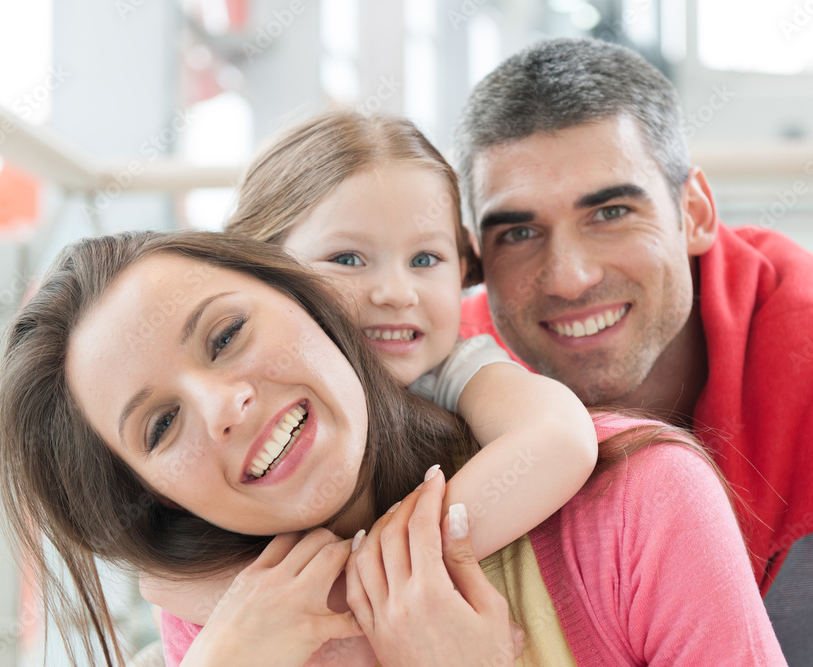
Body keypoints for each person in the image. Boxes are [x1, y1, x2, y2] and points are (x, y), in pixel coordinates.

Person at [0, 230, 786, 666]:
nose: (223, 405)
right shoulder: (227, 631)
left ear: (312, 304)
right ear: (154, 495)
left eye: (227, 335)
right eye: (161, 425)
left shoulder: (640, 502)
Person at [452, 37, 813, 666]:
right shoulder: (446, 383)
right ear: (474, 260)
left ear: (694, 213)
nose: (570, 278)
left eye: (610, 212)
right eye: (519, 232)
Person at [139, 110, 600, 631]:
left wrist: (360, 580)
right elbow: (163, 582)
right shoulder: (246, 410)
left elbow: (561, 439)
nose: (397, 293)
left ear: (463, 269)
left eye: (425, 260)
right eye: (348, 259)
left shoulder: (457, 367)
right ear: (263, 274)